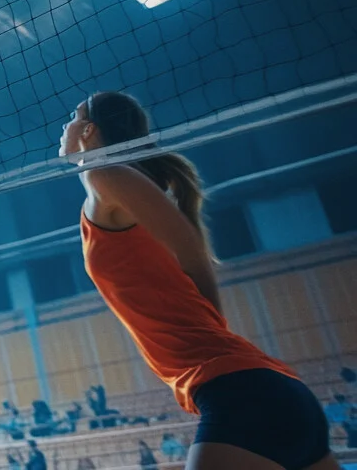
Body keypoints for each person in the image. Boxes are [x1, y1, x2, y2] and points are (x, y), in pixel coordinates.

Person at [63, 91, 338, 470]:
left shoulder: (105, 174)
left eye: (73, 117)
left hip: (239, 391)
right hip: (266, 392)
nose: (66, 126)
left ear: (89, 129)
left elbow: (193, 254)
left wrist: (213, 331)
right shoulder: (106, 190)